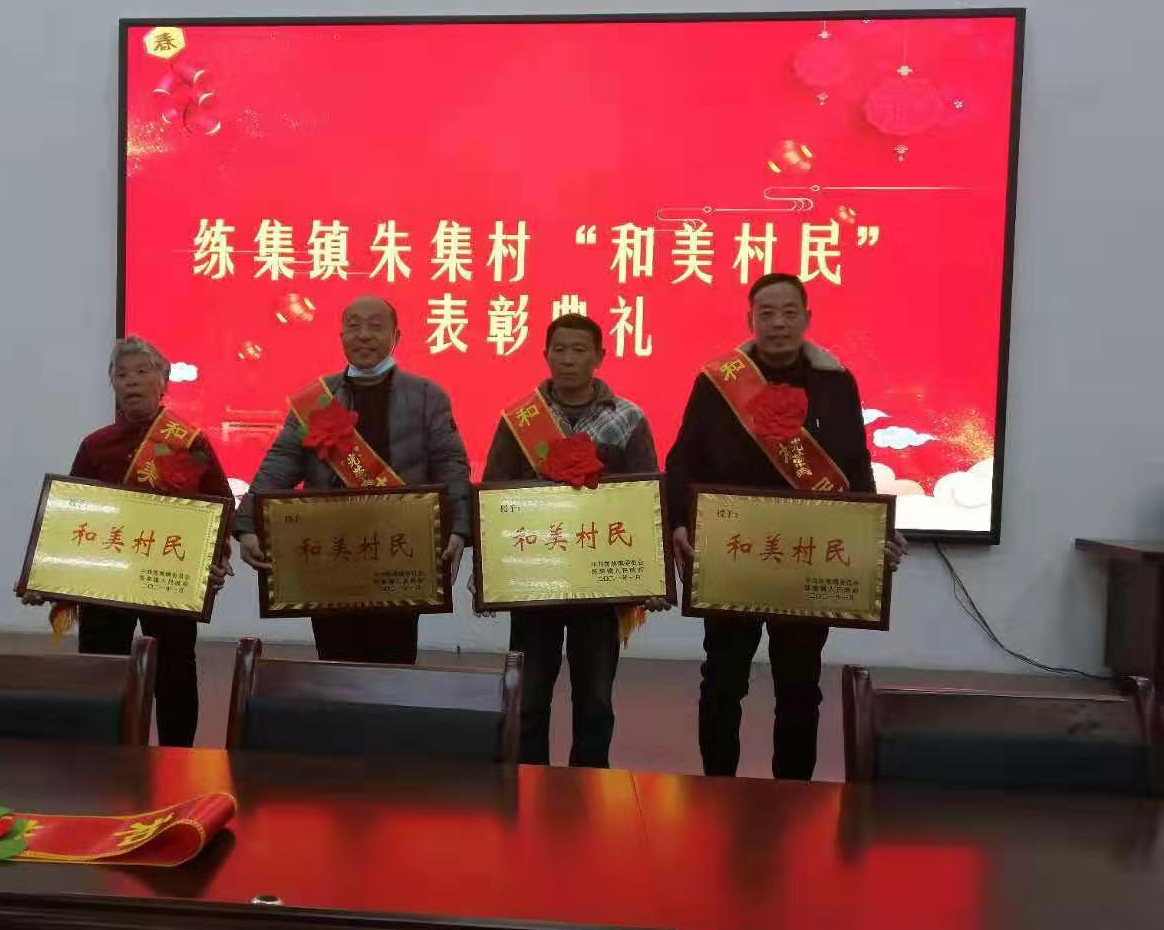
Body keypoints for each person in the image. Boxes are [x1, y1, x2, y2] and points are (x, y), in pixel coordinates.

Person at [664, 273, 906, 780]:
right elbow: (685, 458)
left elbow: (855, 464)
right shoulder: (718, 382)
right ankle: (718, 786)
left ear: (807, 318)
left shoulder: (836, 383)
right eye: (767, 312)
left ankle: (794, 792)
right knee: (723, 681)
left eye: (789, 312)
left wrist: (877, 530)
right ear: (750, 319)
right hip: (732, 554)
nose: (778, 323)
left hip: (806, 559)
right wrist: (679, 524)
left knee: (800, 686)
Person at [234, 296, 471, 664]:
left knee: (394, 664)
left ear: (396, 336)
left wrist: (458, 529)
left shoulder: (427, 396)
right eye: (354, 326)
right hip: (331, 554)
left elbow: (451, 466)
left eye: (375, 326)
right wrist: (247, 524)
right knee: (334, 661)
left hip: (399, 551)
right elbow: (279, 465)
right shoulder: (316, 400)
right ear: (341, 335)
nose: (364, 335)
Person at [22, 335, 232, 747]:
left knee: (175, 671)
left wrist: (215, 560)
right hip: (106, 578)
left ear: (163, 381)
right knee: (103, 668)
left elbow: (220, 508)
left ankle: (176, 756)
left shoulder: (191, 443)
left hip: (166, 578)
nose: (132, 380)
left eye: (142, 371)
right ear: (113, 385)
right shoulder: (95, 446)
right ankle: (105, 755)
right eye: (122, 374)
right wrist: (45, 576)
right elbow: (71, 516)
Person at [481, 313, 665, 768]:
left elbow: (646, 502)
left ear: (600, 356)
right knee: (529, 702)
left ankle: (589, 787)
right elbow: (494, 494)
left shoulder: (627, 419)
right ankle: (528, 784)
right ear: (545, 355)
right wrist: (487, 575)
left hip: (599, 588)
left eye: (579, 350)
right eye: (559, 350)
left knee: (595, 703)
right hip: (535, 584)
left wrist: (653, 577)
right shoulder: (518, 420)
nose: (567, 359)